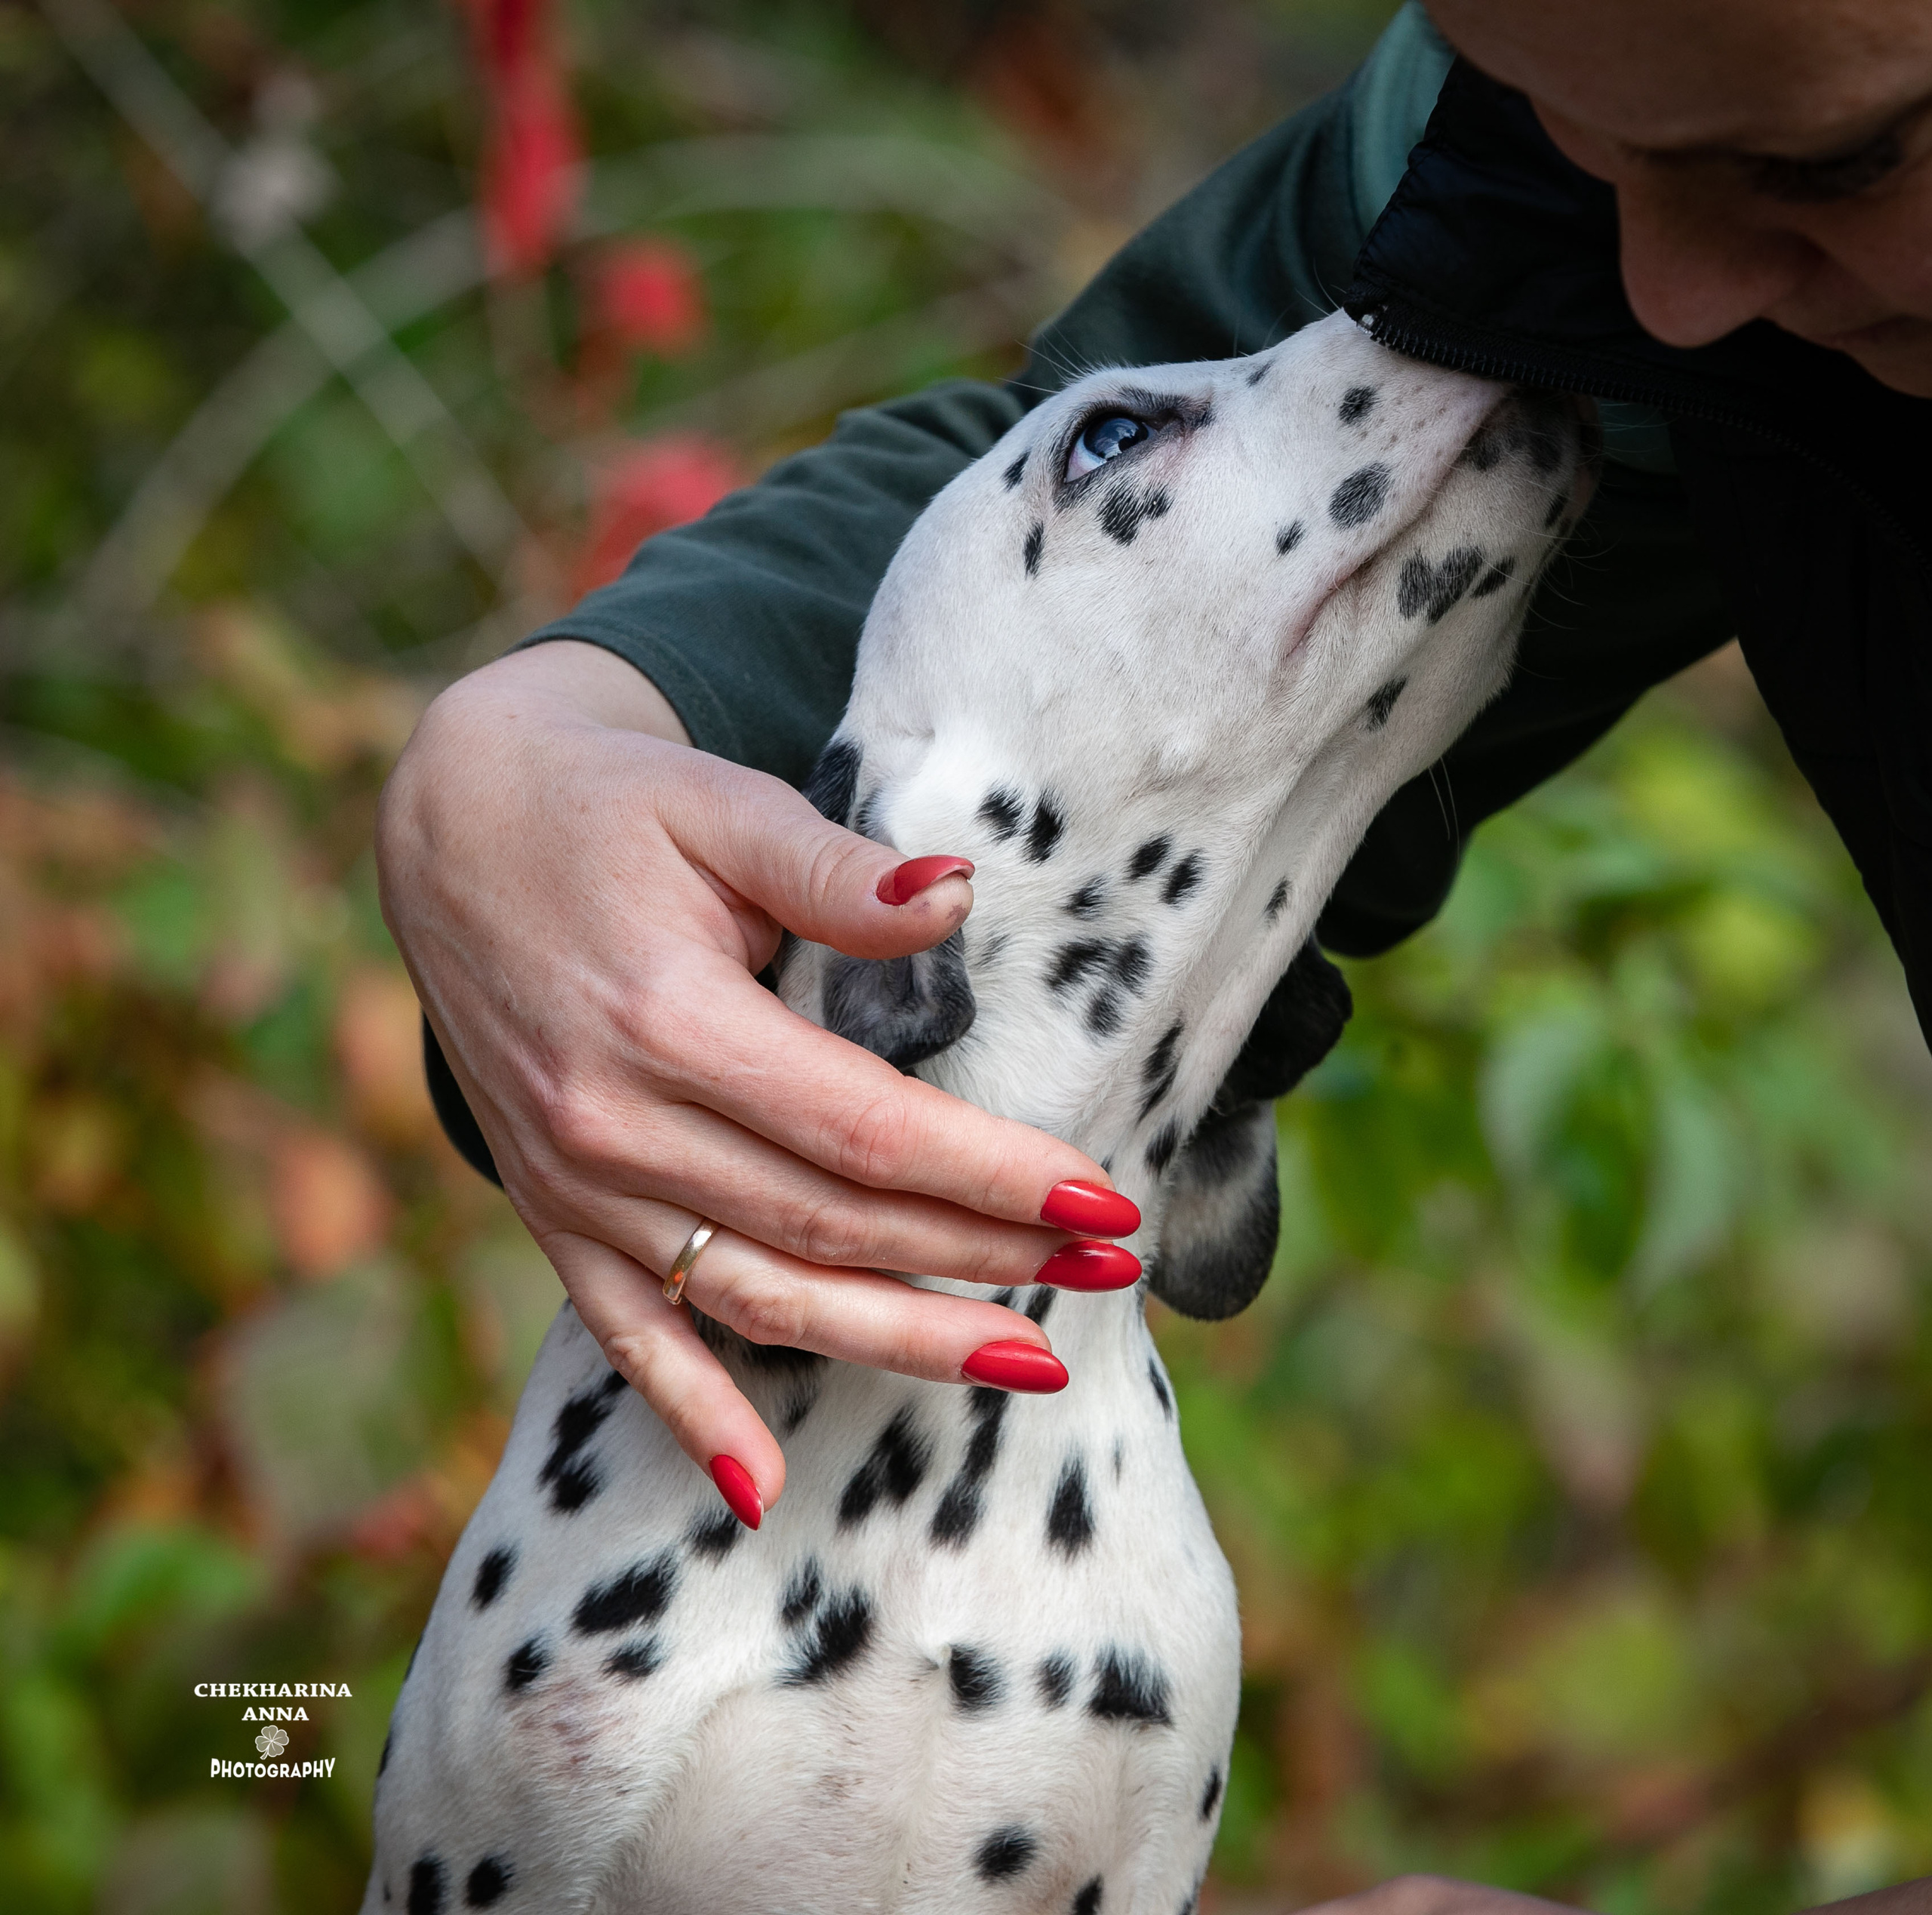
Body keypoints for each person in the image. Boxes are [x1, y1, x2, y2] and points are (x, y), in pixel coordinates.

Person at [377, 2, 1932, 1904]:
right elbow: (1083, 453)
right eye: (1588, 145)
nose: (1655, 304)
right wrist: (561, 725)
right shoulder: (1601, 141)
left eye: (1835, 161)